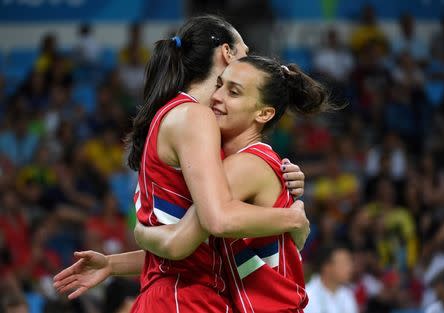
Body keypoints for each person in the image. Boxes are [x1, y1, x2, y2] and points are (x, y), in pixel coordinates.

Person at [55, 15, 308, 313]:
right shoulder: (195, 118)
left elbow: (188, 241)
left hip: (175, 293)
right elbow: (210, 224)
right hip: (184, 296)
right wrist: (294, 219)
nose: (249, 60)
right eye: (245, 51)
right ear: (227, 53)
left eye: (235, 91)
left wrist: (114, 262)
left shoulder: (186, 120)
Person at [304, 243, 358, 313]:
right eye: (344, 263)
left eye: (349, 263)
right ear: (327, 267)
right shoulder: (307, 296)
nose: (350, 268)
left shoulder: (347, 294)